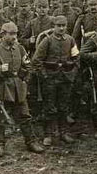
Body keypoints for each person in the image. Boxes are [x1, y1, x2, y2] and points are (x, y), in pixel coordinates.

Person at [0, 22, 45, 157]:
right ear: (3, 35)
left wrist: (25, 77)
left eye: (15, 33)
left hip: (19, 87)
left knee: (25, 115)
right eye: (11, 34)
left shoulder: (20, 48)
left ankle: (30, 141)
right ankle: (0, 144)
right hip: (2, 88)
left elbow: (28, 65)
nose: (14, 37)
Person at [32, 15, 79, 146]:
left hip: (65, 77)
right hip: (50, 78)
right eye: (58, 26)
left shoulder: (70, 40)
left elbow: (76, 58)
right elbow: (36, 60)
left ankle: (63, 132)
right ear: (53, 27)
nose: (61, 28)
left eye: (63, 26)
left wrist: (72, 73)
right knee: (49, 106)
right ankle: (48, 134)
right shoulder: (47, 41)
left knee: (63, 106)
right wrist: (45, 76)